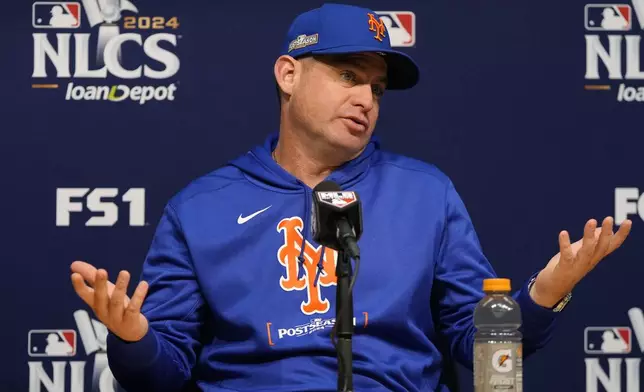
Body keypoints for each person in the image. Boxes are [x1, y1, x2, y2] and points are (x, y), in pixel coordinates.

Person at [69, 3, 632, 391]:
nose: (367, 97)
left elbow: (479, 350)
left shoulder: (426, 193)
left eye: (377, 88)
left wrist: (542, 295)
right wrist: (134, 337)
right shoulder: (198, 208)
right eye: (346, 75)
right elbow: (160, 374)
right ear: (288, 74)